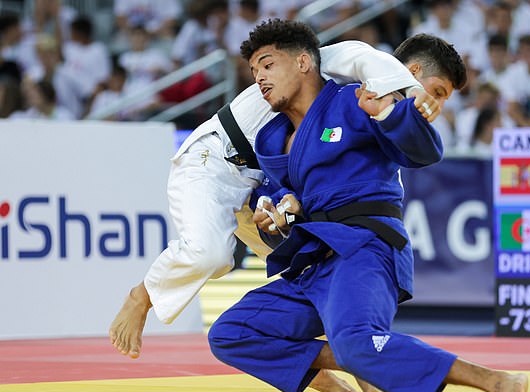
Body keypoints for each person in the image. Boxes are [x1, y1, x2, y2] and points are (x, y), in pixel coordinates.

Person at [208, 19, 528, 392]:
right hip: (313, 263)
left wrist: (389, 113)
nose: (259, 78)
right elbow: (282, 216)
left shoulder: (353, 100)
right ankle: (366, 367)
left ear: (304, 62)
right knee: (230, 332)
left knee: (356, 340)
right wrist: (276, 219)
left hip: (364, 248)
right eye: (254, 69)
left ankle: (494, 379)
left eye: (268, 65)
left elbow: (425, 152)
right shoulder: (272, 137)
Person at [109, 38, 442, 361]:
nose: (436, 104)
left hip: (260, 180)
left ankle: (329, 358)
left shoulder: (356, 102)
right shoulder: (320, 63)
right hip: (214, 158)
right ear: (410, 70)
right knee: (210, 254)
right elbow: (362, 54)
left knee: (310, 265)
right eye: (437, 92)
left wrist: (290, 209)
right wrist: (413, 92)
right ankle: (142, 296)